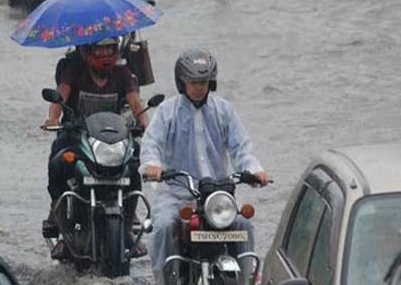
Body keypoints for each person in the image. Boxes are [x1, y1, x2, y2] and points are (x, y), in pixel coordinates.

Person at [139, 47, 271, 284]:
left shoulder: (224, 111)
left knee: (244, 225)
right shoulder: (167, 112)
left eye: (204, 81)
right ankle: (163, 280)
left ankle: (245, 280)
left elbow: (241, 147)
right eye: (193, 81)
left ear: (212, 82)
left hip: (218, 198)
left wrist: (255, 170)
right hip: (177, 195)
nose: (199, 87)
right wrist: (152, 166)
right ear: (182, 82)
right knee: (162, 228)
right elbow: (151, 145)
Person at [43, 36, 150, 259]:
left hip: (113, 139)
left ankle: (128, 226)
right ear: (88, 51)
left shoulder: (124, 74)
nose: (105, 55)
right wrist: (53, 118)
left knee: (136, 163)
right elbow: (59, 98)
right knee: (58, 160)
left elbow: (136, 104)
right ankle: (62, 228)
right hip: (76, 136)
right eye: (100, 50)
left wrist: (147, 126)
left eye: (109, 49)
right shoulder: (73, 71)